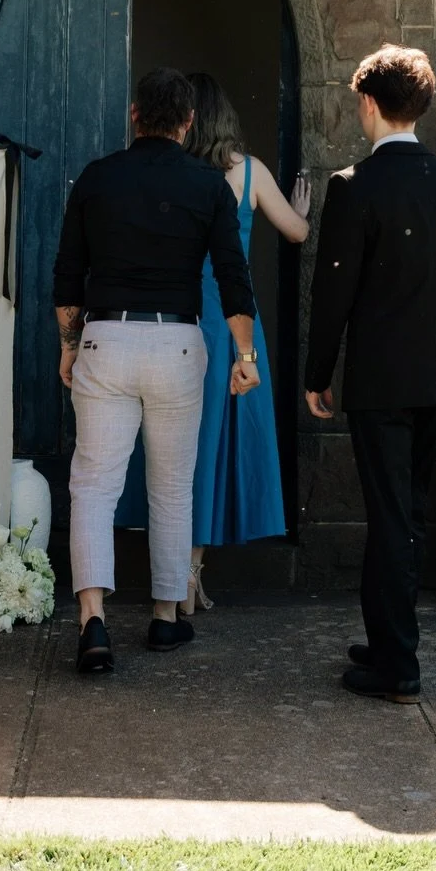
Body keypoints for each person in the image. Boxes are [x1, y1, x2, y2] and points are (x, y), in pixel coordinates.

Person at [54, 66, 261, 676]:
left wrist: (69, 346)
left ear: (135, 115)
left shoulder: (96, 178)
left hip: (105, 338)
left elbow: (68, 276)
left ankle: (92, 620)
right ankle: (166, 618)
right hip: (176, 342)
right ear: (189, 122)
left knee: (93, 485)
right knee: (172, 487)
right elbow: (233, 279)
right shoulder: (208, 185)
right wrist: (245, 358)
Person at [305, 45, 436, 704]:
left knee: (389, 518)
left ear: (368, 103)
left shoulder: (355, 186)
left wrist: (317, 372)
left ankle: (398, 665)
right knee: (405, 511)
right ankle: (388, 642)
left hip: (381, 381)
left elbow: (335, 295)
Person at [115, 71, 311, 612]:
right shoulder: (246, 173)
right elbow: (296, 233)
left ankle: (172, 577)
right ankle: (189, 576)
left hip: (175, 317)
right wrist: (305, 211)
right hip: (232, 327)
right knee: (210, 448)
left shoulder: (169, 176)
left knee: (176, 448)